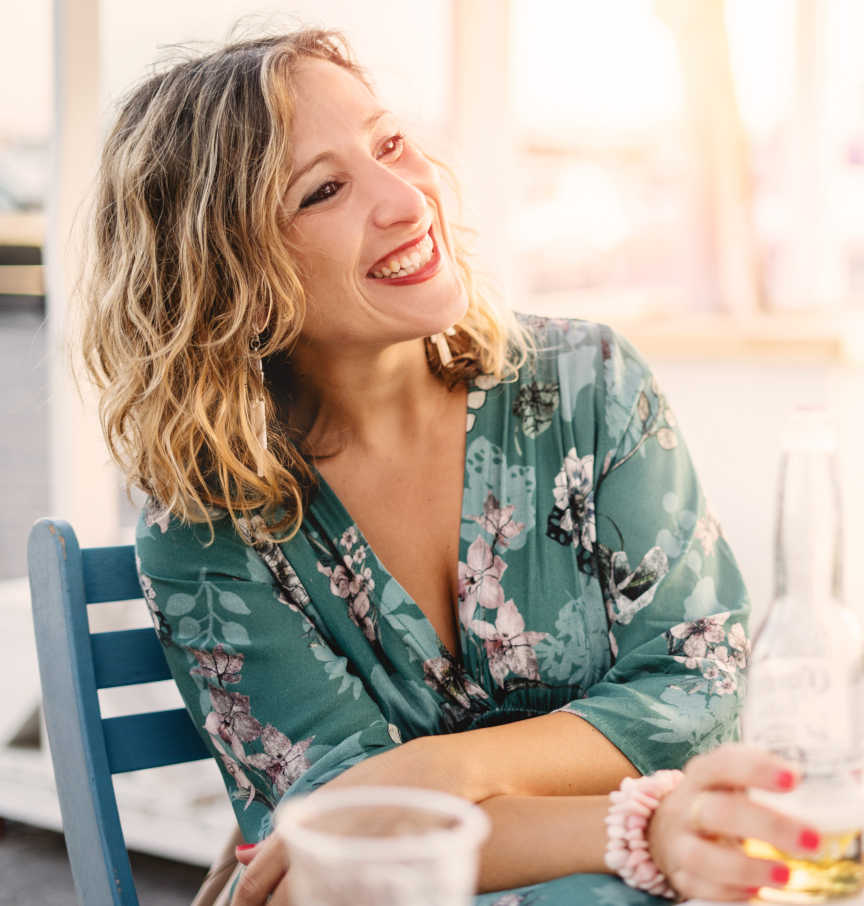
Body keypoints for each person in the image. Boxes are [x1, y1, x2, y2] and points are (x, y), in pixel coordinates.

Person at [79, 28, 822, 906]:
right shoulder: (208, 527)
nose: (405, 198)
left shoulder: (590, 386)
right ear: (226, 274)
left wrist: (440, 770)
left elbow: (702, 687)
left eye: (391, 143)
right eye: (324, 190)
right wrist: (645, 828)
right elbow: (346, 848)